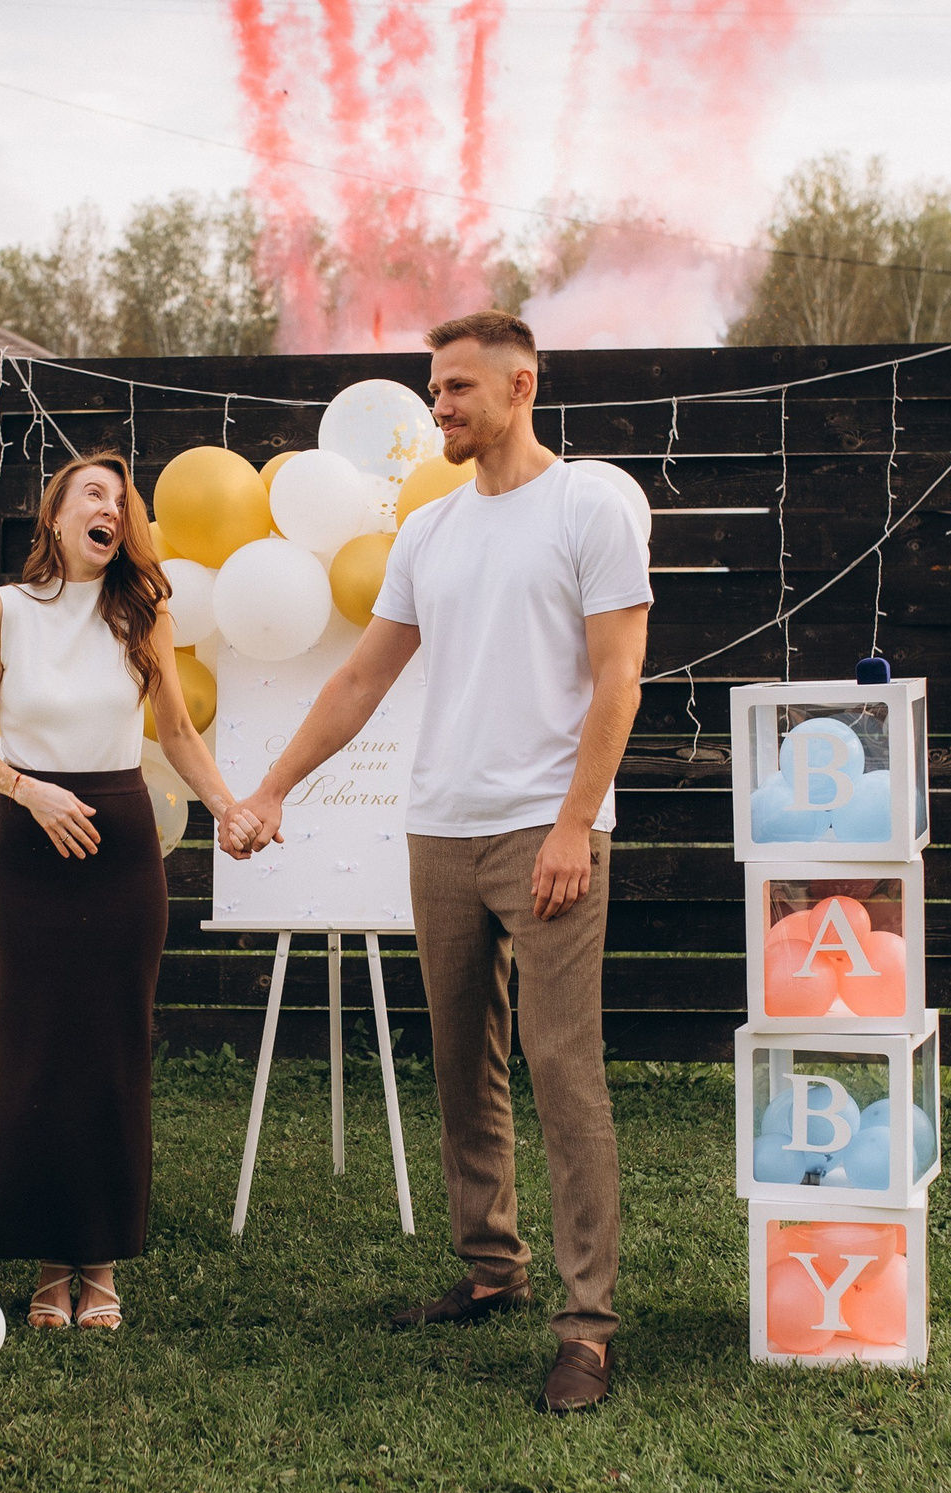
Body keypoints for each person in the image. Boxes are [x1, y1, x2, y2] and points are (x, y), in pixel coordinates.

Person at [220, 310, 650, 1412]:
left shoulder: (589, 503)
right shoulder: (431, 533)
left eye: (458, 387)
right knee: (464, 1063)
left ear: (521, 385)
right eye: (434, 386)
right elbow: (359, 682)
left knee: (564, 1070)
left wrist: (571, 824)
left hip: (548, 831)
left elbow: (617, 681)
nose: (440, 406)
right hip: (440, 830)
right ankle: (489, 1270)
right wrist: (272, 787)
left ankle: (586, 1326)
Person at [0, 452, 232, 1331]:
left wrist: (228, 807)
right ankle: (45, 1258)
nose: (112, 509)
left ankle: (101, 1258)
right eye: (95, 495)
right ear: (58, 516)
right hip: (28, 846)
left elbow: (178, 732)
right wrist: (28, 790)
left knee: (112, 1048)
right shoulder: (4, 612)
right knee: (31, 1049)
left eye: (123, 501)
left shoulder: (142, 616)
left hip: (119, 844)